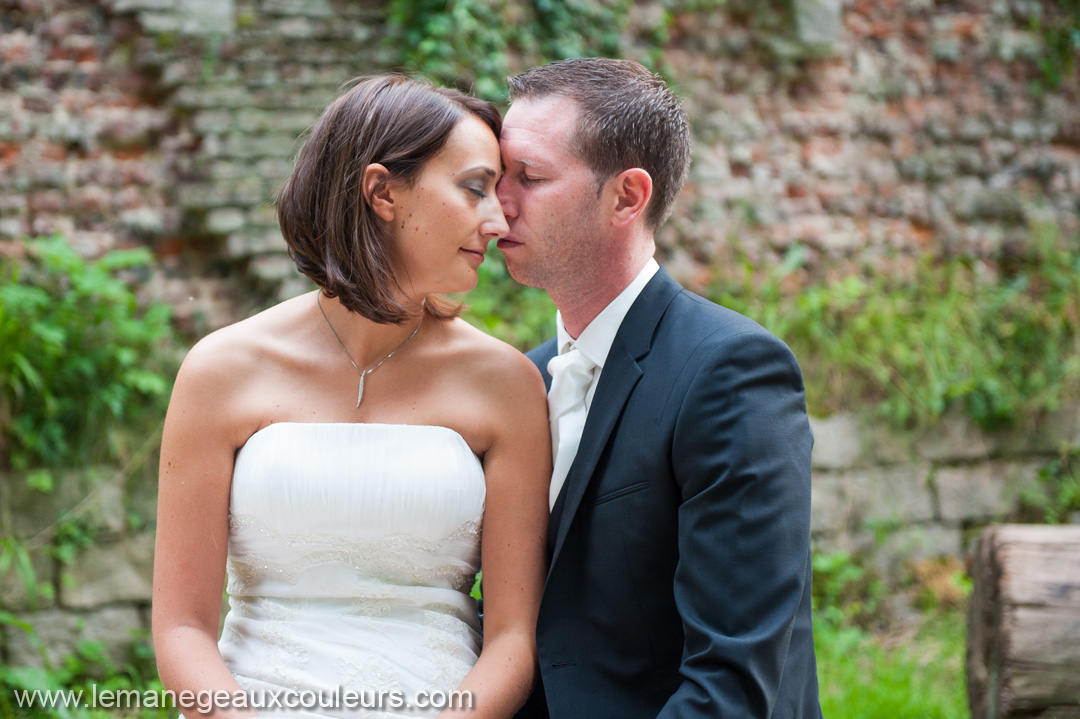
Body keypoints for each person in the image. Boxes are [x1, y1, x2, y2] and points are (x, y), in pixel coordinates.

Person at [152, 75, 550, 719]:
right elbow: (181, 629)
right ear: (382, 191)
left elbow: (511, 640)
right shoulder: (221, 370)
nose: (499, 220)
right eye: (475, 187)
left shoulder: (506, 385)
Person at [496, 58, 822, 718]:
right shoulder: (524, 378)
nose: (498, 201)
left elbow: (732, 683)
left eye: (528, 177)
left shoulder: (731, 372)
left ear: (627, 196)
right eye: (495, 176)